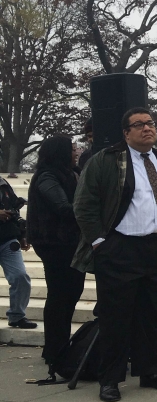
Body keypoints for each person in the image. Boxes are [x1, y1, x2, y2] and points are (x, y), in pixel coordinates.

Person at [73, 107, 157, 402]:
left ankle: (149, 372)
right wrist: (100, 242)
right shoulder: (106, 161)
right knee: (115, 319)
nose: (147, 128)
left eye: (150, 123)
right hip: (120, 249)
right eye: (138, 125)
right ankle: (110, 379)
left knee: (150, 316)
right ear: (126, 133)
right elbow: (84, 205)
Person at [26, 136, 84, 369]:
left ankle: (57, 346)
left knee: (70, 293)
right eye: (72, 149)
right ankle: (55, 349)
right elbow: (62, 207)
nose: (77, 151)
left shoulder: (72, 173)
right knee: (61, 295)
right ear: (60, 152)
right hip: (54, 244)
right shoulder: (47, 176)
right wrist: (90, 208)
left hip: (70, 243)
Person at [0, 174, 33, 330]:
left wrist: (22, 235)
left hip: (7, 239)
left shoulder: (3, 183)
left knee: (20, 276)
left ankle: (17, 316)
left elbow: (14, 210)